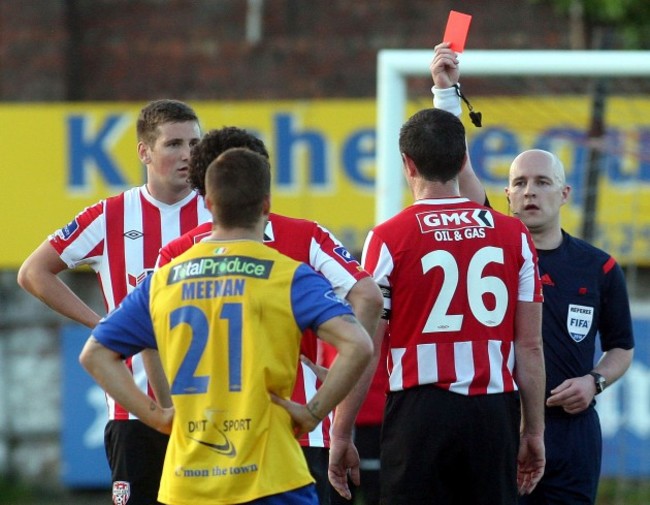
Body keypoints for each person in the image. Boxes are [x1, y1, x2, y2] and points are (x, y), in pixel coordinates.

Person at [79, 147, 375, 505]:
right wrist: (313, 413)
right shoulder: (287, 274)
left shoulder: (165, 277)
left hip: (188, 481)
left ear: (209, 205)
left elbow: (95, 355)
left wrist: (158, 417)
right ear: (265, 205)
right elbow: (358, 344)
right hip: (271, 477)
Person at [154, 126, 384, 502]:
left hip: (207, 441)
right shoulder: (306, 236)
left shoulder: (175, 257)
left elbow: (145, 343)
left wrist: (168, 413)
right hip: (296, 431)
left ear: (205, 189)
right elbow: (369, 298)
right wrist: (336, 409)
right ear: (265, 189)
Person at [17, 99, 212, 505]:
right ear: (144, 151)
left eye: (195, 144)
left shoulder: (220, 214)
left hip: (217, 409)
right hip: (136, 410)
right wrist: (103, 327)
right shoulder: (112, 215)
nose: (188, 155)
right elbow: (33, 272)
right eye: (174, 144)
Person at [361, 107, 547, 504]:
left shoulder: (387, 237)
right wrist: (533, 431)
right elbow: (529, 346)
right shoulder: (514, 234)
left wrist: (341, 433)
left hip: (418, 411)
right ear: (464, 160)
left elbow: (367, 347)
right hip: (494, 412)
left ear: (407, 163)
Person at [506, 150, 635, 505]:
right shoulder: (491, 262)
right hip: (503, 425)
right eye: (520, 183)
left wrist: (594, 382)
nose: (530, 191)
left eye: (542, 182)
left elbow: (622, 347)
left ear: (564, 194)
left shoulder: (599, 267)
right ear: (508, 196)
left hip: (572, 431)